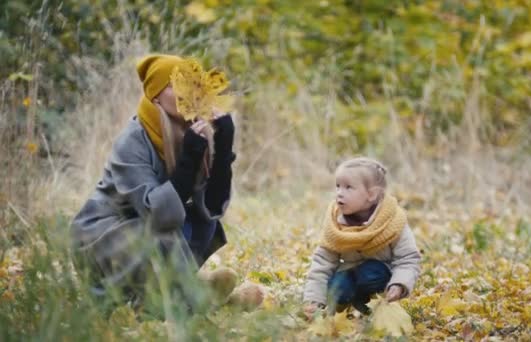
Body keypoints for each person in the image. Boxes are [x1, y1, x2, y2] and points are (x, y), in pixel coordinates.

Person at [71, 54, 262, 309]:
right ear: (156, 95)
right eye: (176, 84)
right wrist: (188, 161)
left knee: (205, 223)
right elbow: (158, 214)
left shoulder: (190, 129)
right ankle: (195, 299)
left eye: (191, 84)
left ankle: (178, 291)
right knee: (162, 235)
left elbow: (214, 203)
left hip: (146, 230)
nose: (187, 91)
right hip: (104, 236)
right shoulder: (133, 141)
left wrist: (224, 143)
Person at [302, 157, 421, 318]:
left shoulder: (393, 221)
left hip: (381, 277)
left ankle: (374, 304)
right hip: (349, 273)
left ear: (371, 195)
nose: (339, 193)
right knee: (336, 288)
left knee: (371, 272)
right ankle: (352, 302)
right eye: (338, 186)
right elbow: (323, 262)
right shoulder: (335, 224)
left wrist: (399, 284)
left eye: (348, 187)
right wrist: (313, 299)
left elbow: (408, 258)